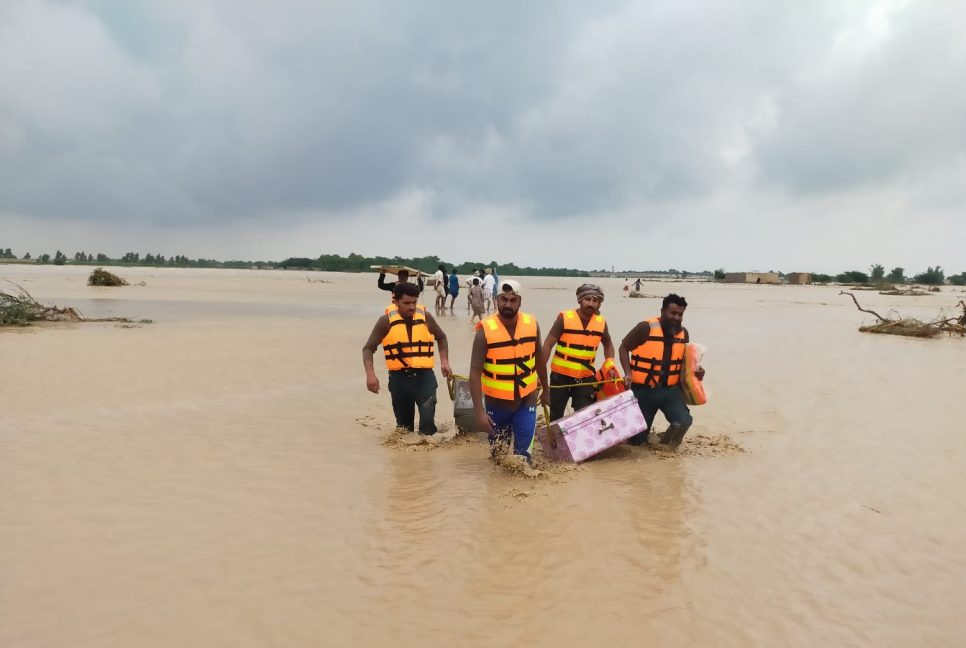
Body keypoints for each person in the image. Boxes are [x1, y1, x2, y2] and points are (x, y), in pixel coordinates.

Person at [470, 280, 550, 463]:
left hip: (526, 401)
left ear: (520, 301)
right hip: (496, 405)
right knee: (498, 457)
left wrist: (546, 390)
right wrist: (479, 413)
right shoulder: (485, 330)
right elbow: (474, 373)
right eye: (503, 299)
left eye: (513, 300)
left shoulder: (532, 324)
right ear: (496, 300)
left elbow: (539, 360)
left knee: (523, 460)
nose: (507, 304)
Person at [363, 282, 452, 435]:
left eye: (414, 302)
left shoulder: (426, 318)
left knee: (428, 423)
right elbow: (368, 349)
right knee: (404, 429)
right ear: (395, 302)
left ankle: (427, 457)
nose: (411, 307)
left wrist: (445, 362)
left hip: (425, 378)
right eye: (406, 303)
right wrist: (370, 374)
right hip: (399, 380)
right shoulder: (385, 322)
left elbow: (441, 337)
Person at [618, 293, 705, 448]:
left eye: (680, 314)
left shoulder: (684, 333)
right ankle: (643, 437)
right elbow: (624, 348)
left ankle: (666, 447)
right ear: (662, 311)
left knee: (683, 421)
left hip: (670, 391)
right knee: (636, 442)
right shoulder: (644, 327)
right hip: (644, 391)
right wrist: (628, 373)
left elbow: (686, 364)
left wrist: (698, 373)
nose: (677, 318)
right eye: (673, 313)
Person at [540, 284, 615, 421]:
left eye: (595, 301)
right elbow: (547, 344)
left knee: (585, 416)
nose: (591, 304)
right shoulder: (565, 318)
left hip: (586, 378)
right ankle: (555, 442)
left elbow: (608, 345)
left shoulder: (601, 323)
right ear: (580, 300)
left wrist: (610, 364)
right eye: (587, 299)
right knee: (556, 415)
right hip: (560, 376)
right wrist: (540, 373)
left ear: (599, 304)